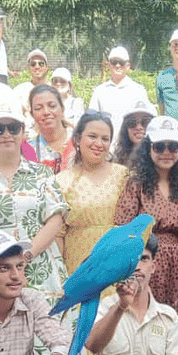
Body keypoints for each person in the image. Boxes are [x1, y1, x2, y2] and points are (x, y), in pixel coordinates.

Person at [0, 99, 71, 355]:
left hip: (42, 272)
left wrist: (26, 255)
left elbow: (55, 217)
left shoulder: (42, 173)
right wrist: (2, 260)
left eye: (12, 128)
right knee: (1, 350)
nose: (6, 134)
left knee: (52, 347)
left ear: (23, 132)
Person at [115, 115, 178, 355]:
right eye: (159, 145)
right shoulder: (135, 183)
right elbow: (124, 227)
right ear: (148, 148)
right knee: (145, 327)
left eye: (173, 146)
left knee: (177, 327)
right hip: (147, 261)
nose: (166, 152)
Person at [56, 111, 129, 277]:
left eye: (105, 139)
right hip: (78, 268)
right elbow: (58, 235)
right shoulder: (62, 181)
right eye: (92, 136)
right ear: (77, 140)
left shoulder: (123, 176)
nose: (98, 143)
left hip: (117, 265)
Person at [88, 46, 154, 138]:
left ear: (128, 66)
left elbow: (148, 120)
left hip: (131, 147)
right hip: (106, 147)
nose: (118, 66)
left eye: (121, 63)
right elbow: (91, 120)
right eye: (114, 62)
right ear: (109, 65)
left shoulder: (138, 90)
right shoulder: (99, 91)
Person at [27, 84, 75, 173]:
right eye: (38, 108)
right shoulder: (29, 150)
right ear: (32, 114)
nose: (46, 112)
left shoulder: (81, 142)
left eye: (52, 106)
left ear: (62, 108)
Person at [13, 49, 50, 128]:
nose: (37, 67)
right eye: (33, 64)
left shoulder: (54, 90)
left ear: (47, 67)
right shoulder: (19, 90)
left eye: (41, 64)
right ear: (28, 68)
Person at [113, 100, 156, 166]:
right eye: (132, 122)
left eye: (146, 122)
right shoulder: (116, 161)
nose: (139, 127)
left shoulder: (163, 159)